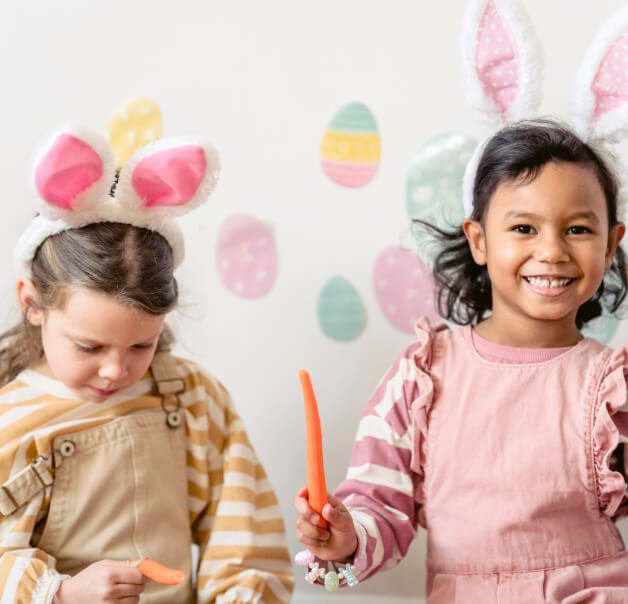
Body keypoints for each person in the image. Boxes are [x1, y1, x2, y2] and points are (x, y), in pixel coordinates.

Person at [294, 119, 628, 601]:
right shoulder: (423, 376)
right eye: (523, 228)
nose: (552, 251)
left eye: (577, 228)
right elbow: (379, 507)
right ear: (479, 241)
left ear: (611, 243)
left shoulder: (614, 386)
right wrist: (347, 538)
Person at [0, 127, 294, 603]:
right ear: (33, 303)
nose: (117, 371)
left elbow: (242, 540)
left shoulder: (192, 397)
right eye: (89, 348)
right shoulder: (8, 422)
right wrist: (59, 593)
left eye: (142, 347)